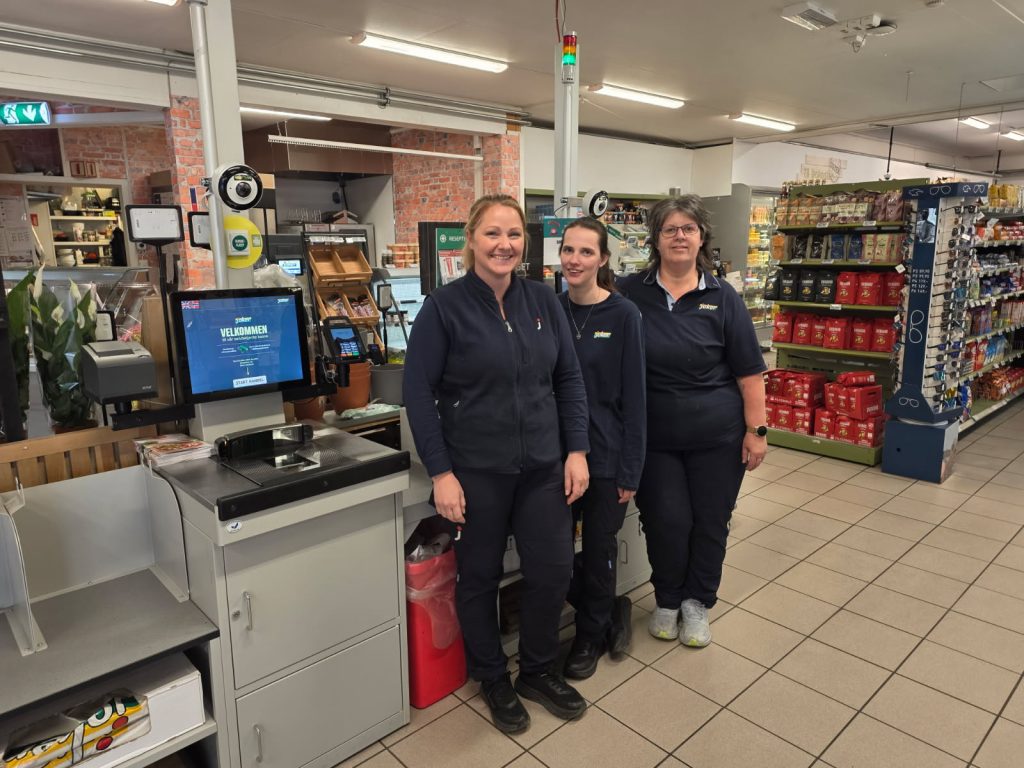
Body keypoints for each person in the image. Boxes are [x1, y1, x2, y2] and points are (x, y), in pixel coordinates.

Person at [403, 194, 591, 734]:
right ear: (471, 240)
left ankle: (535, 668)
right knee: (479, 578)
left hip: (542, 468)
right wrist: (441, 472)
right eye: (492, 234)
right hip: (476, 472)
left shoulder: (544, 301)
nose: (504, 244)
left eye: (513, 235)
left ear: (524, 243)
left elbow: (568, 379)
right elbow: (419, 393)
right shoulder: (444, 308)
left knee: (554, 569)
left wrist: (575, 450)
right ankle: (491, 677)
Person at [619, 195, 768, 649]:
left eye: (688, 228)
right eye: (670, 229)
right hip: (655, 438)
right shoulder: (630, 291)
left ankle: (697, 602)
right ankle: (667, 598)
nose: (679, 236)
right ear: (656, 239)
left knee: (710, 521)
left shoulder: (723, 297)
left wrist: (756, 431)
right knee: (665, 519)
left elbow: (749, 372)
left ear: (701, 237)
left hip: (718, 437)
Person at [556, 218, 646, 680]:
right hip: (556, 458)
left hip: (607, 457)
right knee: (551, 554)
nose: (575, 260)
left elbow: (636, 398)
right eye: (568, 250)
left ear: (603, 259)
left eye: (586, 252)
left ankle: (589, 636)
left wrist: (632, 469)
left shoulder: (624, 315)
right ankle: (611, 608)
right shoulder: (550, 309)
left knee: (597, 550)